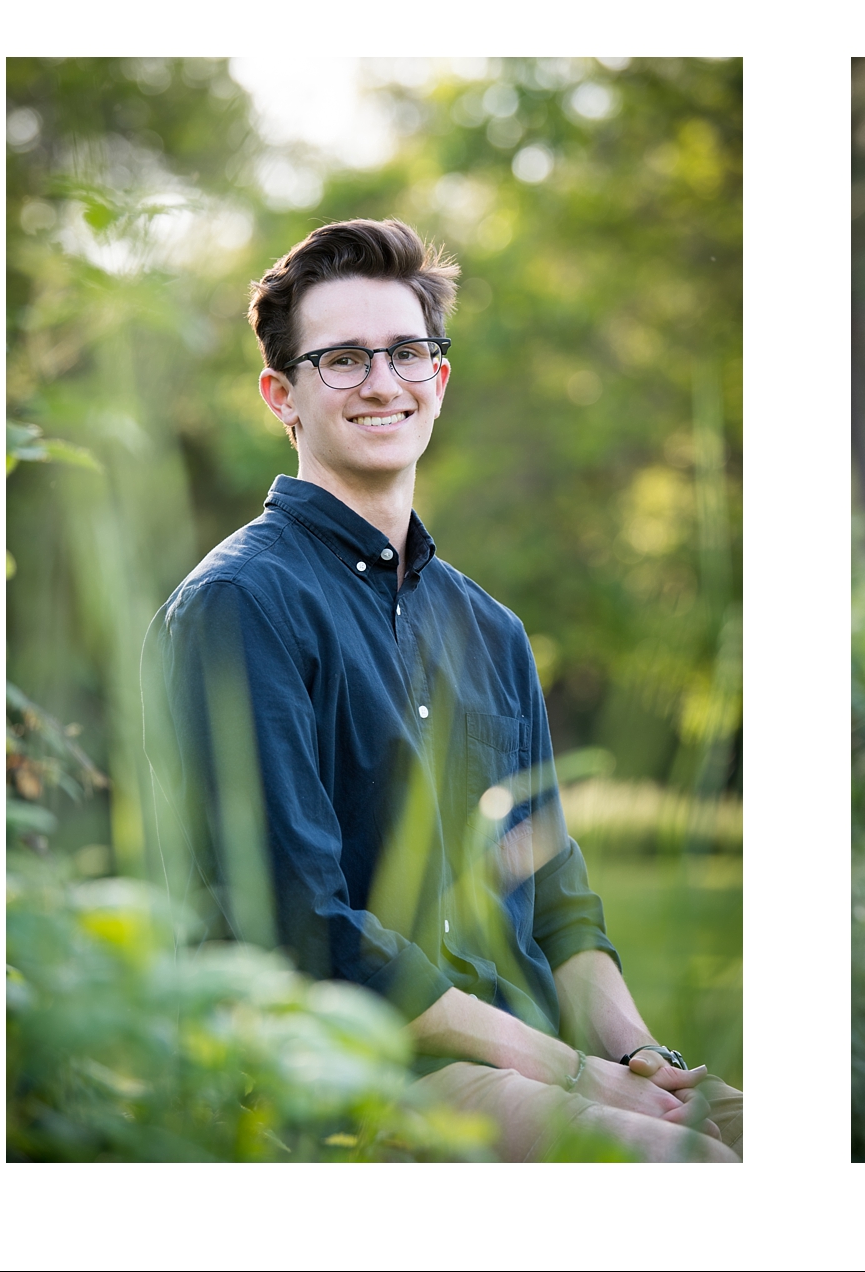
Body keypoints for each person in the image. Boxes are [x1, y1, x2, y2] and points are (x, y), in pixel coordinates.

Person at [145, 218, 740, 1162]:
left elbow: (554, 897)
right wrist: (572, 1073)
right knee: (693, 1169)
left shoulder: (491, 631)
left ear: (439, 380)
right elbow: (307, 929)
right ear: (281, 396)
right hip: (357, 1071)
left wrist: (637, 1059)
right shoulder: (240, 605)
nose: (383, 382)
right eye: (341, 359)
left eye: (407, 353)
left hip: (526, 1052)